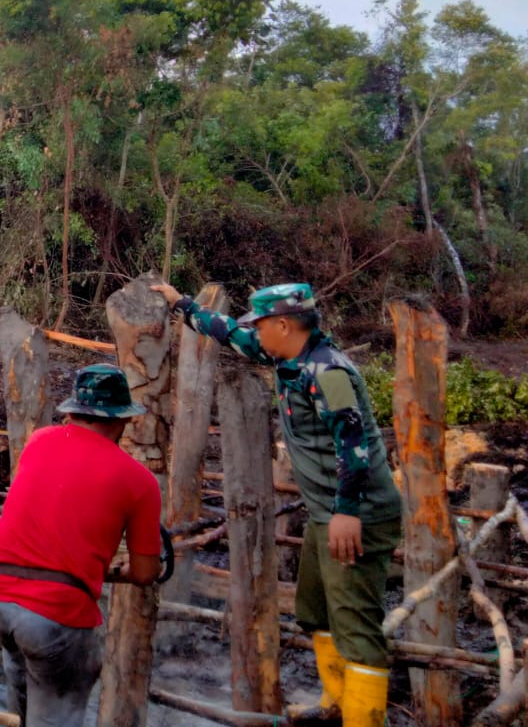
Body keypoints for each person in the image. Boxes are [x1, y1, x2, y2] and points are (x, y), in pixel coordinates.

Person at [151, 281, 400, 727]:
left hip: (355, 513)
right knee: (314, 612)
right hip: (329, 513)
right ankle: (337, 705)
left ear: (283, 324)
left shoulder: (330, 373)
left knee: (355, 627)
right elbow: (231, 333)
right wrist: (181, 305)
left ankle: (364, 718)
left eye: (262, 324)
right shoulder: (288, 359)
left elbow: (354, 441)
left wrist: (347, 511)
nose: (257, 333)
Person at [0, 364, 164, 727]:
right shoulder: (139, 481)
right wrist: (108, 572)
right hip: (53, 613)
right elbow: (145, 573)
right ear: (119, 420)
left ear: (74, 411)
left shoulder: (38, 441)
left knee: (25, 701)